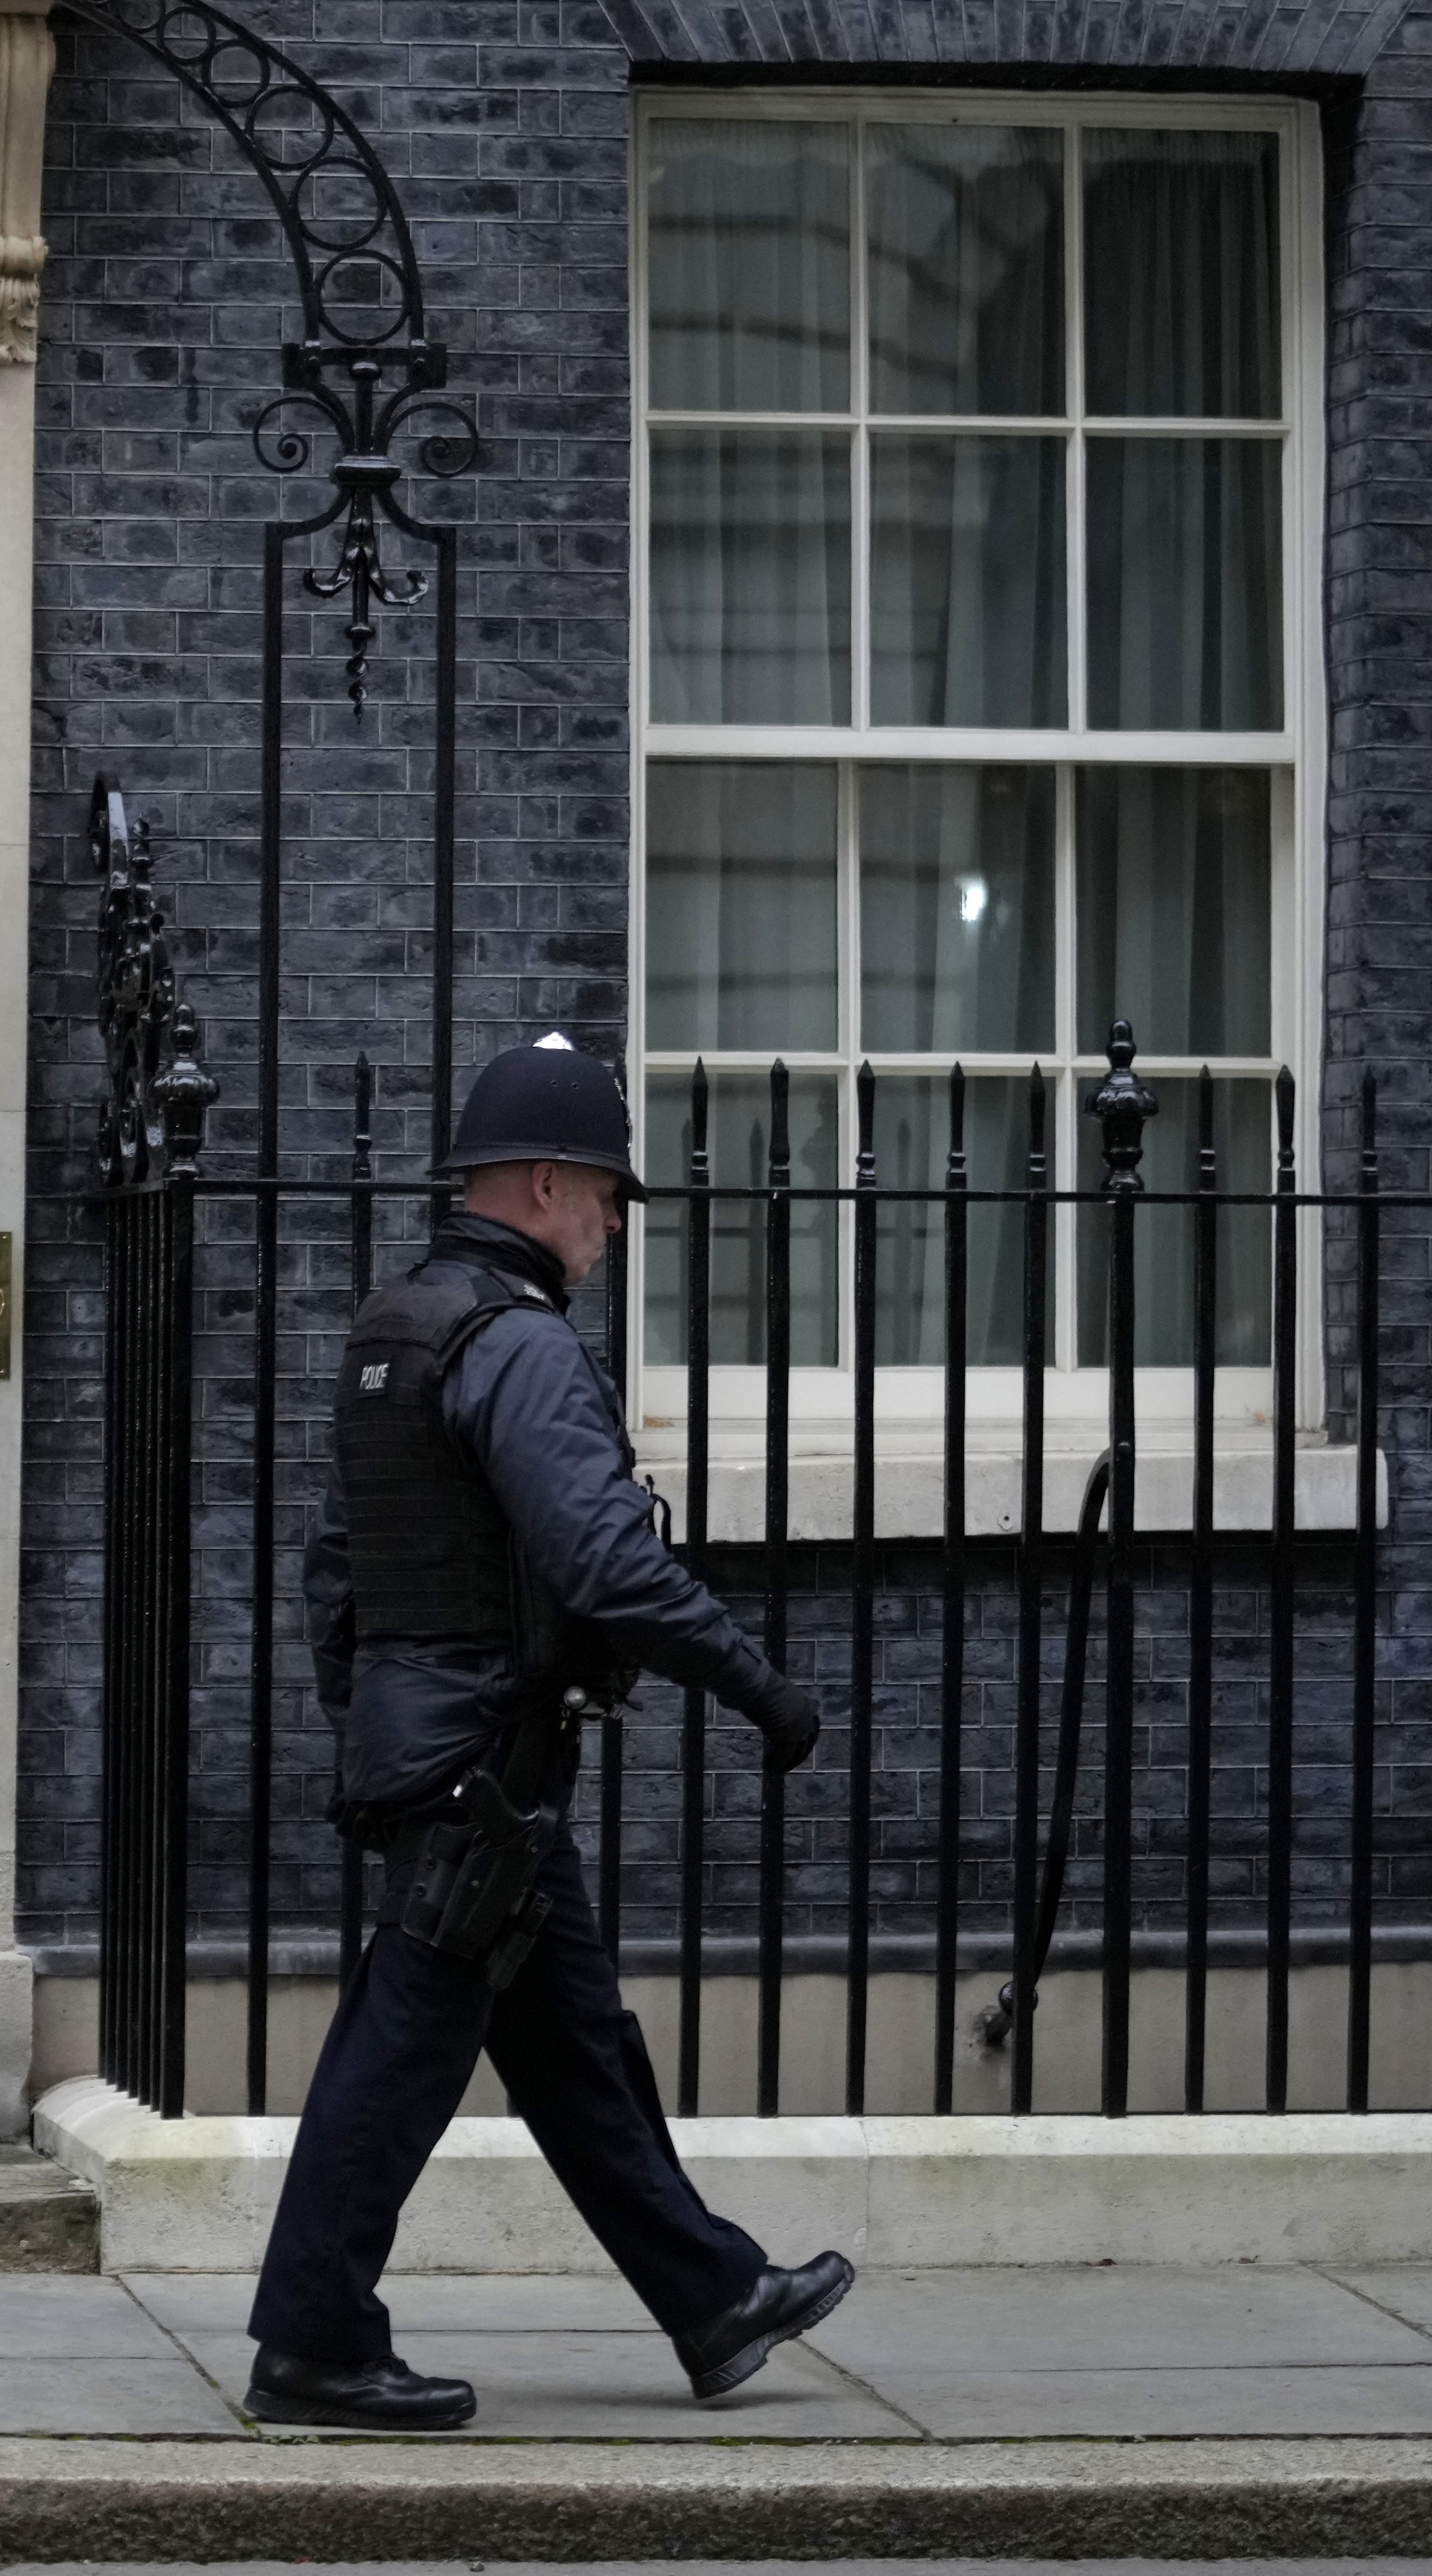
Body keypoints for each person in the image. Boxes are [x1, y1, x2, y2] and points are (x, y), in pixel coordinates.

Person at [243, 1032, 852, 2431]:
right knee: (395, 2061)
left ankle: (712, 2298)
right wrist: (760, 1686)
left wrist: (378, 1726)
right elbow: (606, 1565)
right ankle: (312, 2343)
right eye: (601, 1194)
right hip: (479, 1767)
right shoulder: (514, 1346)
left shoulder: (398, 1329)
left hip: (449, 1761)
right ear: (534, 1183)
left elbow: (335, 1572)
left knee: (578, 2053)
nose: (611, 1224)